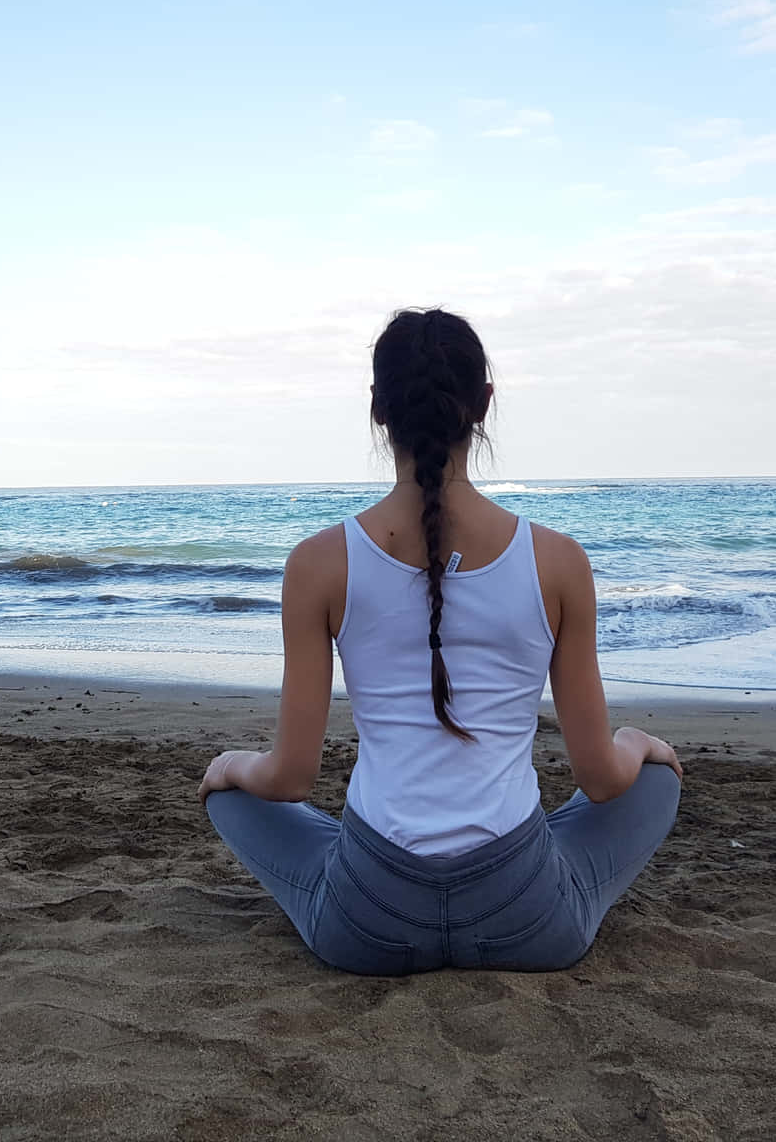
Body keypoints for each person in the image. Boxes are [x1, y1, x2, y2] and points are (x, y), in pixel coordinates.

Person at [199, 306, 682, 974]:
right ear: (484, 404)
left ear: (378, 410)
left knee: (234, 795)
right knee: (652, 781)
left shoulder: (317, 564)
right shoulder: (558, 561)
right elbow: (601, 780)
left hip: (367, 923)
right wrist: (641, 744)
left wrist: (229, 766)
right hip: (526, 917)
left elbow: (289, 778)